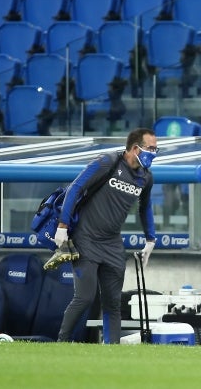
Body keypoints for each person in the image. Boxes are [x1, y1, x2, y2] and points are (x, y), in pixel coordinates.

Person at [56, 128, 158, 344]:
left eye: (156, 149)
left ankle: (111, 350)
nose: (154, 153)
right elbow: (75, 188)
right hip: (86, 239)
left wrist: (151, 239)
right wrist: (62, 225)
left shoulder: (146, 178)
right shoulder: (107, 162)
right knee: (84, 298)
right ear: (134, 148)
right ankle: (62, 342)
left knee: (113, 303)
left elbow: (145, 207)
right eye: (150, 148)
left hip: (113, 244)